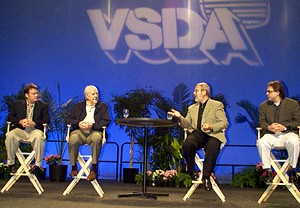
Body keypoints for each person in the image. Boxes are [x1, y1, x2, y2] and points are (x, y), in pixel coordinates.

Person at [168, 82, 228, 191]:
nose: (194, 93)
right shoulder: (192, 108)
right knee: (187, 144)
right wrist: (180, 117)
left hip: (213, 134)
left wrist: (211, 126)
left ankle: (206, 177)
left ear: (204, 92)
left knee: (213, 147)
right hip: (198, 134)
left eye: (196, 91)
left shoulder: (217, 105)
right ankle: (192, 171)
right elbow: (186, 124)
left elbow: (224, 123)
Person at [257, 80, 300, 183]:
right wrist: (269, 127)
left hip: (288, 133)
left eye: (269, 91)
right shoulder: (264, 106)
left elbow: (298, 121)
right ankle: (267, 170)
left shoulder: (293, 104)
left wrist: (284, 127)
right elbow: (262, 122)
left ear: (277, 92)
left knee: (294, 142)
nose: (267, 93)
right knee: (262, 142)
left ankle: (292, 169)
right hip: (271, 135)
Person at [66, 85, 111, 181]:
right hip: (79, 131)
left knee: (96, 138)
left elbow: (106, 121)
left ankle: (94, 169)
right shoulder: (78, 106)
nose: (96, 96)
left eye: (97, 94)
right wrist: (78, 123)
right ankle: (74, 167)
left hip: (95, 131)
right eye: (93, 94)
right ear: (86, 96)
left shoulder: (103, 106)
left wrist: (92, 125)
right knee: (73, 139)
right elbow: (68, 119)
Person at [5, 83, 50, 174]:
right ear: (26, 95)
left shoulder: (43, 106)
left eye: (37, 93)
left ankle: (37, 165)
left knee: (39, 137)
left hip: (35, 130)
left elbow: (47, 120)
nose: (36, 95)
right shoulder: (17, 104)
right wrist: (20, 121)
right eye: (33, 93)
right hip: (20, 130)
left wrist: (34, 123)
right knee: (10, 135)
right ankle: (11, 164)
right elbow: (10, 118)